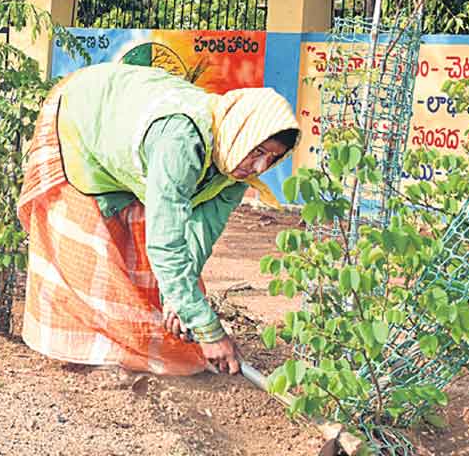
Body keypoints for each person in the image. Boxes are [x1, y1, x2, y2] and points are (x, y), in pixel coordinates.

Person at [17, 63, 299, 377]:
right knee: (89, 248)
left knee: (150, 257)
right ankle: (81, 352)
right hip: (80, 116)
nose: (259, 166)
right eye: (257, 150)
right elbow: (165, 244)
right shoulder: (180, 140)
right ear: (242, 131)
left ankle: (125, 345)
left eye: (272, 158)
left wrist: (180, 305)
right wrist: (207, 329)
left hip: (128, 142)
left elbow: (199, 236)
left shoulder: (234, 167)